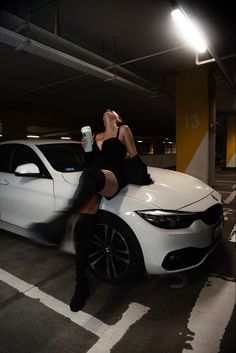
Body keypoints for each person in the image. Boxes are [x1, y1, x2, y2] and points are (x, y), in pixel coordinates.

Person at [30, 109, 152, 312]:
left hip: (112, 177)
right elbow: (90, 163)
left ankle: (60, 220)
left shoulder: (123, 129)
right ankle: (81, 285)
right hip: (92, 179)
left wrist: (143, 176)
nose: (108, 110)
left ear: (117, 117)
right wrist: (86, 148)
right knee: (83, 230)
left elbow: (133, 155)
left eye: (112, 110)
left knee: (90, 176)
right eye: (106, 110)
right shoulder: (93, 135)